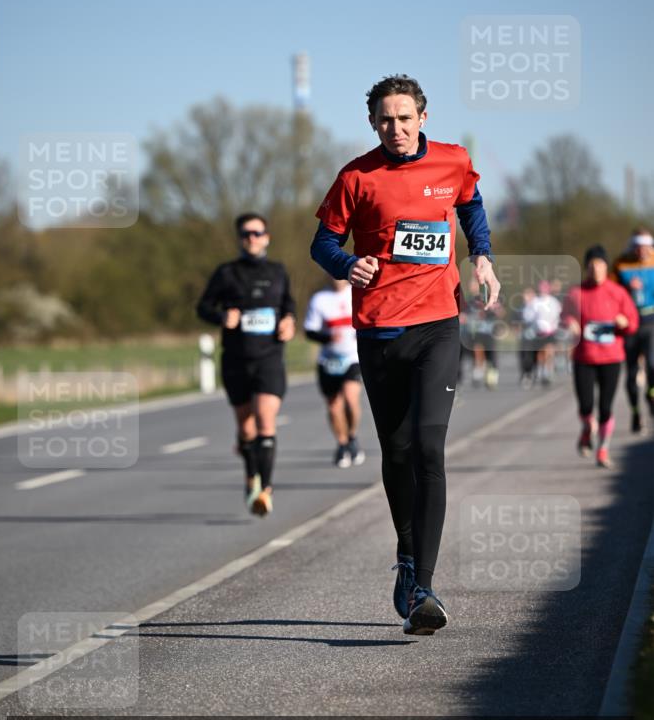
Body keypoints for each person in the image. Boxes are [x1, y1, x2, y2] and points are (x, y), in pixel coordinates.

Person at [311, 74, 499, 635]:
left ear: (422, 116)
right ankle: (408, 557)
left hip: (438, 324)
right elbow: (323, 242)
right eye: (385, 120)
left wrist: (483, 255)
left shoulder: (452, 161)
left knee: (428, 447)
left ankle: (424, 589)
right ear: (373, 123)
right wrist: (348, 265)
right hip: (377, 330)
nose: (395, 127)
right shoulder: (356, 176)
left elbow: (471, 203)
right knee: (396, 452)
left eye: (404, 117)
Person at [196, 212, 296, 516]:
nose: (251, 238)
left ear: (266, 237)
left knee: (266, 419)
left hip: (269, 358)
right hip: (237, 359)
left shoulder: (278, 271)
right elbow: (203, 307)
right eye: (246, 234)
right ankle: (251, 472)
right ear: (240, 239)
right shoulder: (226, 273)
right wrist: (221, 317)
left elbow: (288, 305)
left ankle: (263, 489)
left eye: (257, 233)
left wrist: (290, 321)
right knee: (246, 427)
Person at [562, 245, 638, 468]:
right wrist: (570, 323)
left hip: (611, 357)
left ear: (606, 267)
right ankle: (587, 428)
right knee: (586, 406)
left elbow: (632, 322)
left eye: (600, 265)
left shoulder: (617, 292)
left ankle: (603, 449)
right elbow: (564, 315)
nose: (596, 269)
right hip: (584, 358)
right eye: (592, 265)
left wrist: (624, 324)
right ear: (586, 268)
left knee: (606, 407)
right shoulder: (576, 293)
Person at [304, 277, 366, 468]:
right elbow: (309, 330)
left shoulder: (357, 292)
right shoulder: (319, 299)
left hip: (352, 357)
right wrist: (327, 336)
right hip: (328, 360)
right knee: (333, 406)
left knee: (350, 398)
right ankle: (342, 443)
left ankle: (353, 435)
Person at [612, 228, 654, 432]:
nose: (642, 251)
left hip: (651, 321)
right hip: (629, 323)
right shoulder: (621, 263)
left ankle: (651, 396)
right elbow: (609, 291)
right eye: (638, 247)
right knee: (631, 373)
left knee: (653, 365)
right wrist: (627, 289)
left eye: (645, 247)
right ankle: (636, 411)